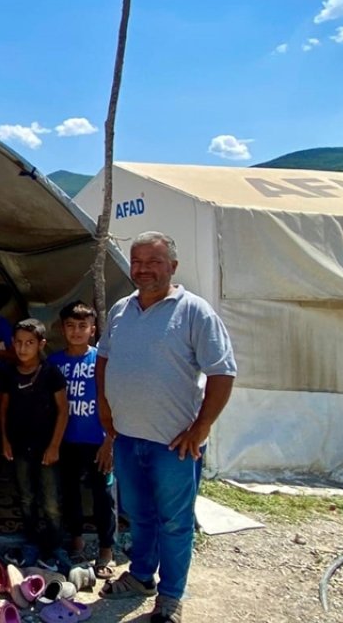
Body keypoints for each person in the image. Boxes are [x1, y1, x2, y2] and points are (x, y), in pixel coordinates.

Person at [96, 231, 236, 623]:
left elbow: (222, 372)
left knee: (175, 522)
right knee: (139, 515)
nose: (142, 269)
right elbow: (104, 359)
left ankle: (171, 596)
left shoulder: (194, 312)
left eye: (153, 262)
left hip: (174, 444)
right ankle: (142, 576)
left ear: (172, 267)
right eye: (137, 261)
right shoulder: (122, 310)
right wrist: (106, 413)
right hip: (127, 437)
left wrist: (201, 427)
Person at [48, 301, 117, 578]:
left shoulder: (101, 361)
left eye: (82, 326)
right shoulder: (54, 363)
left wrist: (110, 441)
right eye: (70, 326)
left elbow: (114, 400)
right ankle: (75, 539)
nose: (76, 331)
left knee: (103, 496)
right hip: (65, 441)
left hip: (97, 441)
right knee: (70, 493)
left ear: (93, 330)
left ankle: (106, 549)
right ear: (62, 329)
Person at [0, 319, 68, 563]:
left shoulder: (50, 373)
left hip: (46, 445)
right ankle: (31, 539)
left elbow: (63, 410)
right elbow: (4, 408)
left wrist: (54, 446)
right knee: (26, 495)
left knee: (50, 499)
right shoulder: (9, 373)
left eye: (29, 343)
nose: (22, 348)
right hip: (19, 445)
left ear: (41, 344)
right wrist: (5, 440)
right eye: (18, 342)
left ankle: (55, 544)